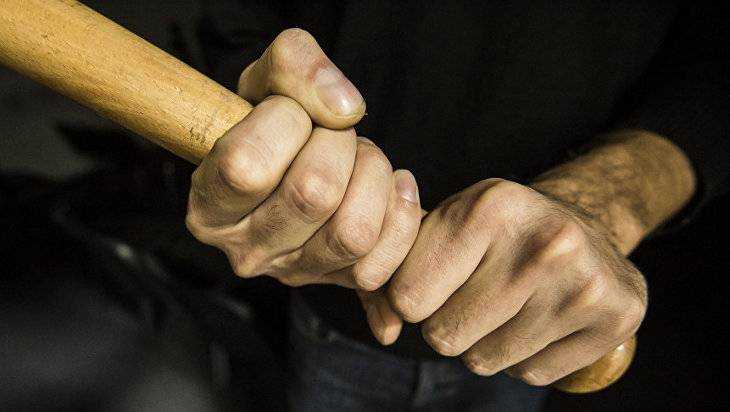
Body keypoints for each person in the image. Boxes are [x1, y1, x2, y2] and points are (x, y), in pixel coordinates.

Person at [185, 1, 728, 410]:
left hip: (533, 323)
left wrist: (600, 205)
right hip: (328, 307)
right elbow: (231, 20)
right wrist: (255, 143)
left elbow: (713, 73)